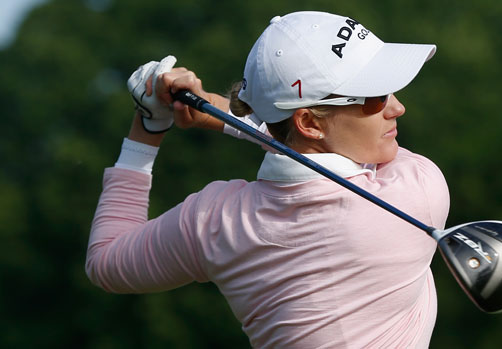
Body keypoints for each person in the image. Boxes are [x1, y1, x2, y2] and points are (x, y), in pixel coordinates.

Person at [86, 11, 450, 348]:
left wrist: (148, 124)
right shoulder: (416, 192)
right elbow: (290, 142)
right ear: (308, 122)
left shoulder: (215, 220)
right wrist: (211, 111)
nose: (396, 107)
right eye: (374, 97)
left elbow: (105, 262)